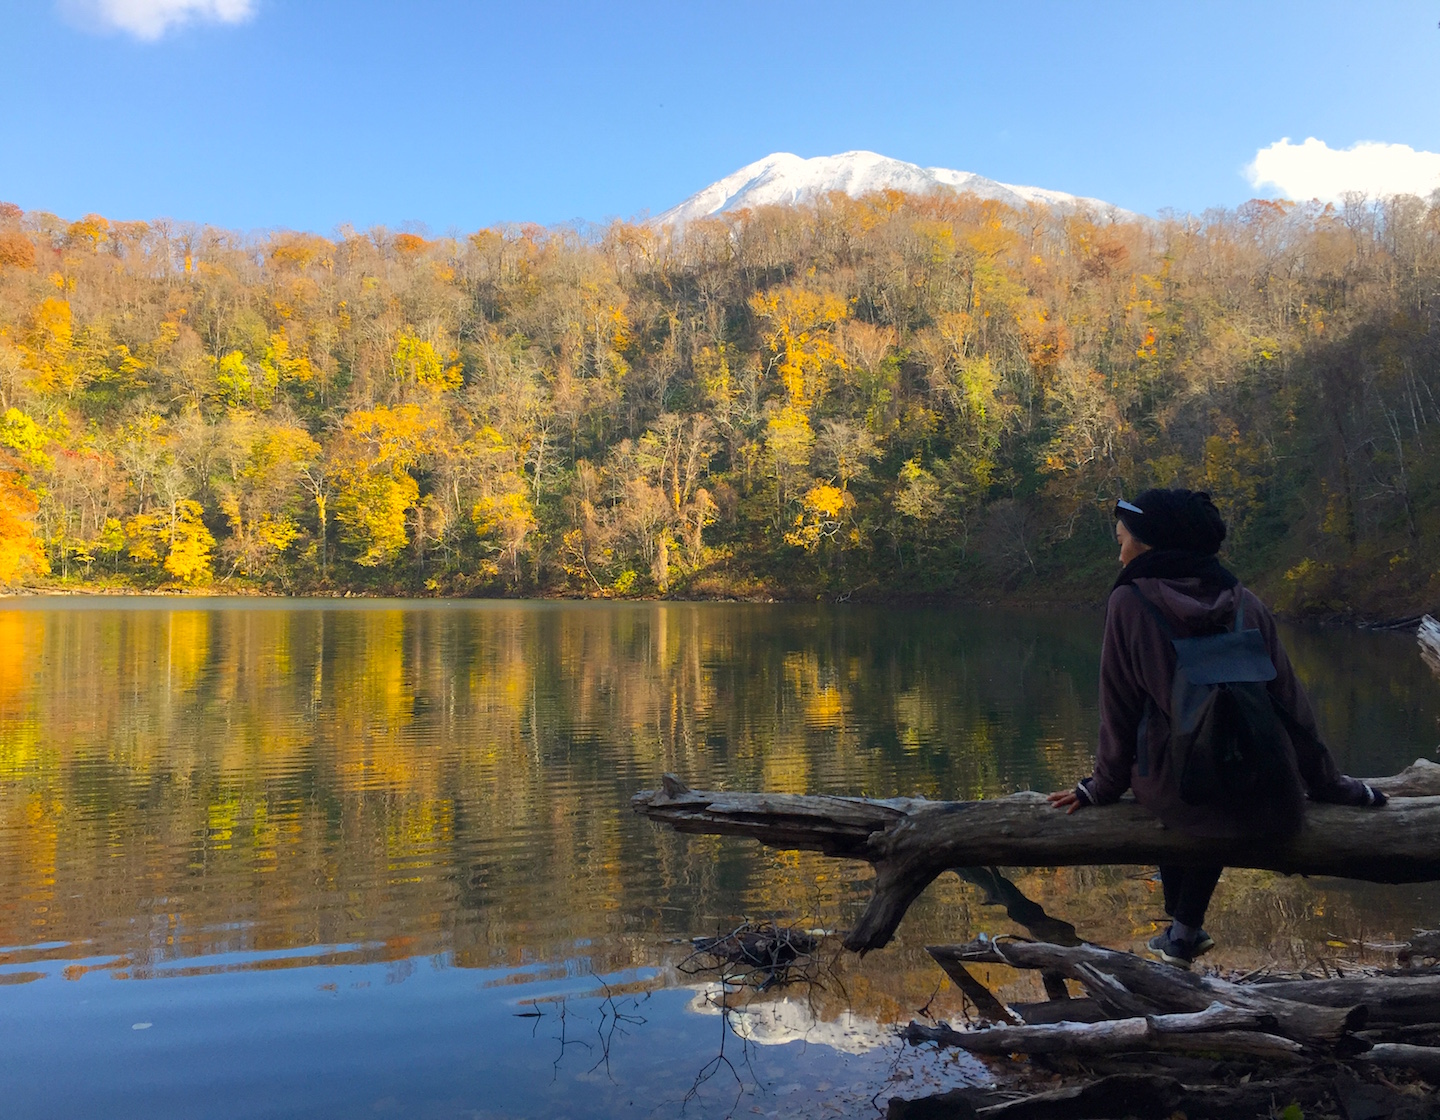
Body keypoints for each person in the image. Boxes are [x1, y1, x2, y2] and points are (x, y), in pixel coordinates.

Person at [1047, 489, 1387, 968]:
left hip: (1184, 792)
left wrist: (1099, 787)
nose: (1118, 551)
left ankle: (1181, 928)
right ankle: (1184, 930)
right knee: (1210, 753)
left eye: (1122, 540)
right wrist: (1329, 784)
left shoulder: (1130, 602)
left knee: (1174, 753)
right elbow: (1291, 705)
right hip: (1266, 785)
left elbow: (1118, 707)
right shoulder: (1245, 601)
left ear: (1147, 544)